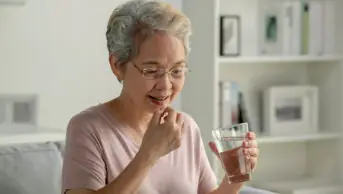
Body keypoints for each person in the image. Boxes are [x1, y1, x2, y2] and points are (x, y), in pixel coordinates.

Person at [61, 0, 259, 194]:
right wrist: (149, 154)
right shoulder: (88, 129)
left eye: (177, 70)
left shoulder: (186, 128)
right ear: (117, 66)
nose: (165, 86)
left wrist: (235, 179)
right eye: (151, 70)